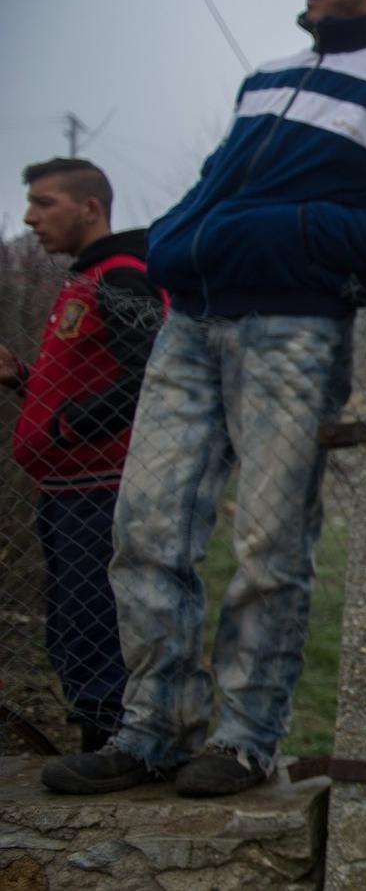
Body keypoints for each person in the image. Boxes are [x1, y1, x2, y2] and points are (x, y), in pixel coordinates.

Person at [41, 0, 366, 797]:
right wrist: (176, 240)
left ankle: (243, 740)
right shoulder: (269, 77)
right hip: (191, 319)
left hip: (294, 330)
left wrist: (286, 235)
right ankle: (152, 729)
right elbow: (214, 184)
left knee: (270, 546)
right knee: (145, 529)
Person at [2, 158, 166, 753]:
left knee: (95, 623)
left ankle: (113, 748)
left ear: (90, 208)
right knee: (71, 624)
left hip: (101, 491)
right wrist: (24, 379)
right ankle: (99, 739)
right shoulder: (86, 279)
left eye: (44, 203)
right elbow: (91, 379)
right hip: (66, 489)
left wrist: (68, 428)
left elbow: (150, 373)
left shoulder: (122, 277)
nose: (30, 217)